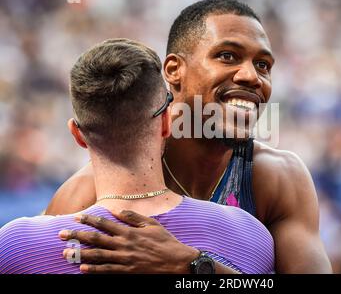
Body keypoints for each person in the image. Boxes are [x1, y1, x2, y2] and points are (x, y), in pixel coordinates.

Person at [45, 0, 332, 273]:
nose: (252, 77)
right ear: (174, 70)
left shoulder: (277, 178)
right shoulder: (87, 196)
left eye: (263, 65)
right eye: (227, 56)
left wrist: (192, 266)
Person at [0, 39, 274, 274]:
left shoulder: (17, 246)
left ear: (78, 135)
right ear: (167, 123)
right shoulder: (247, 235)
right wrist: (197, 266)